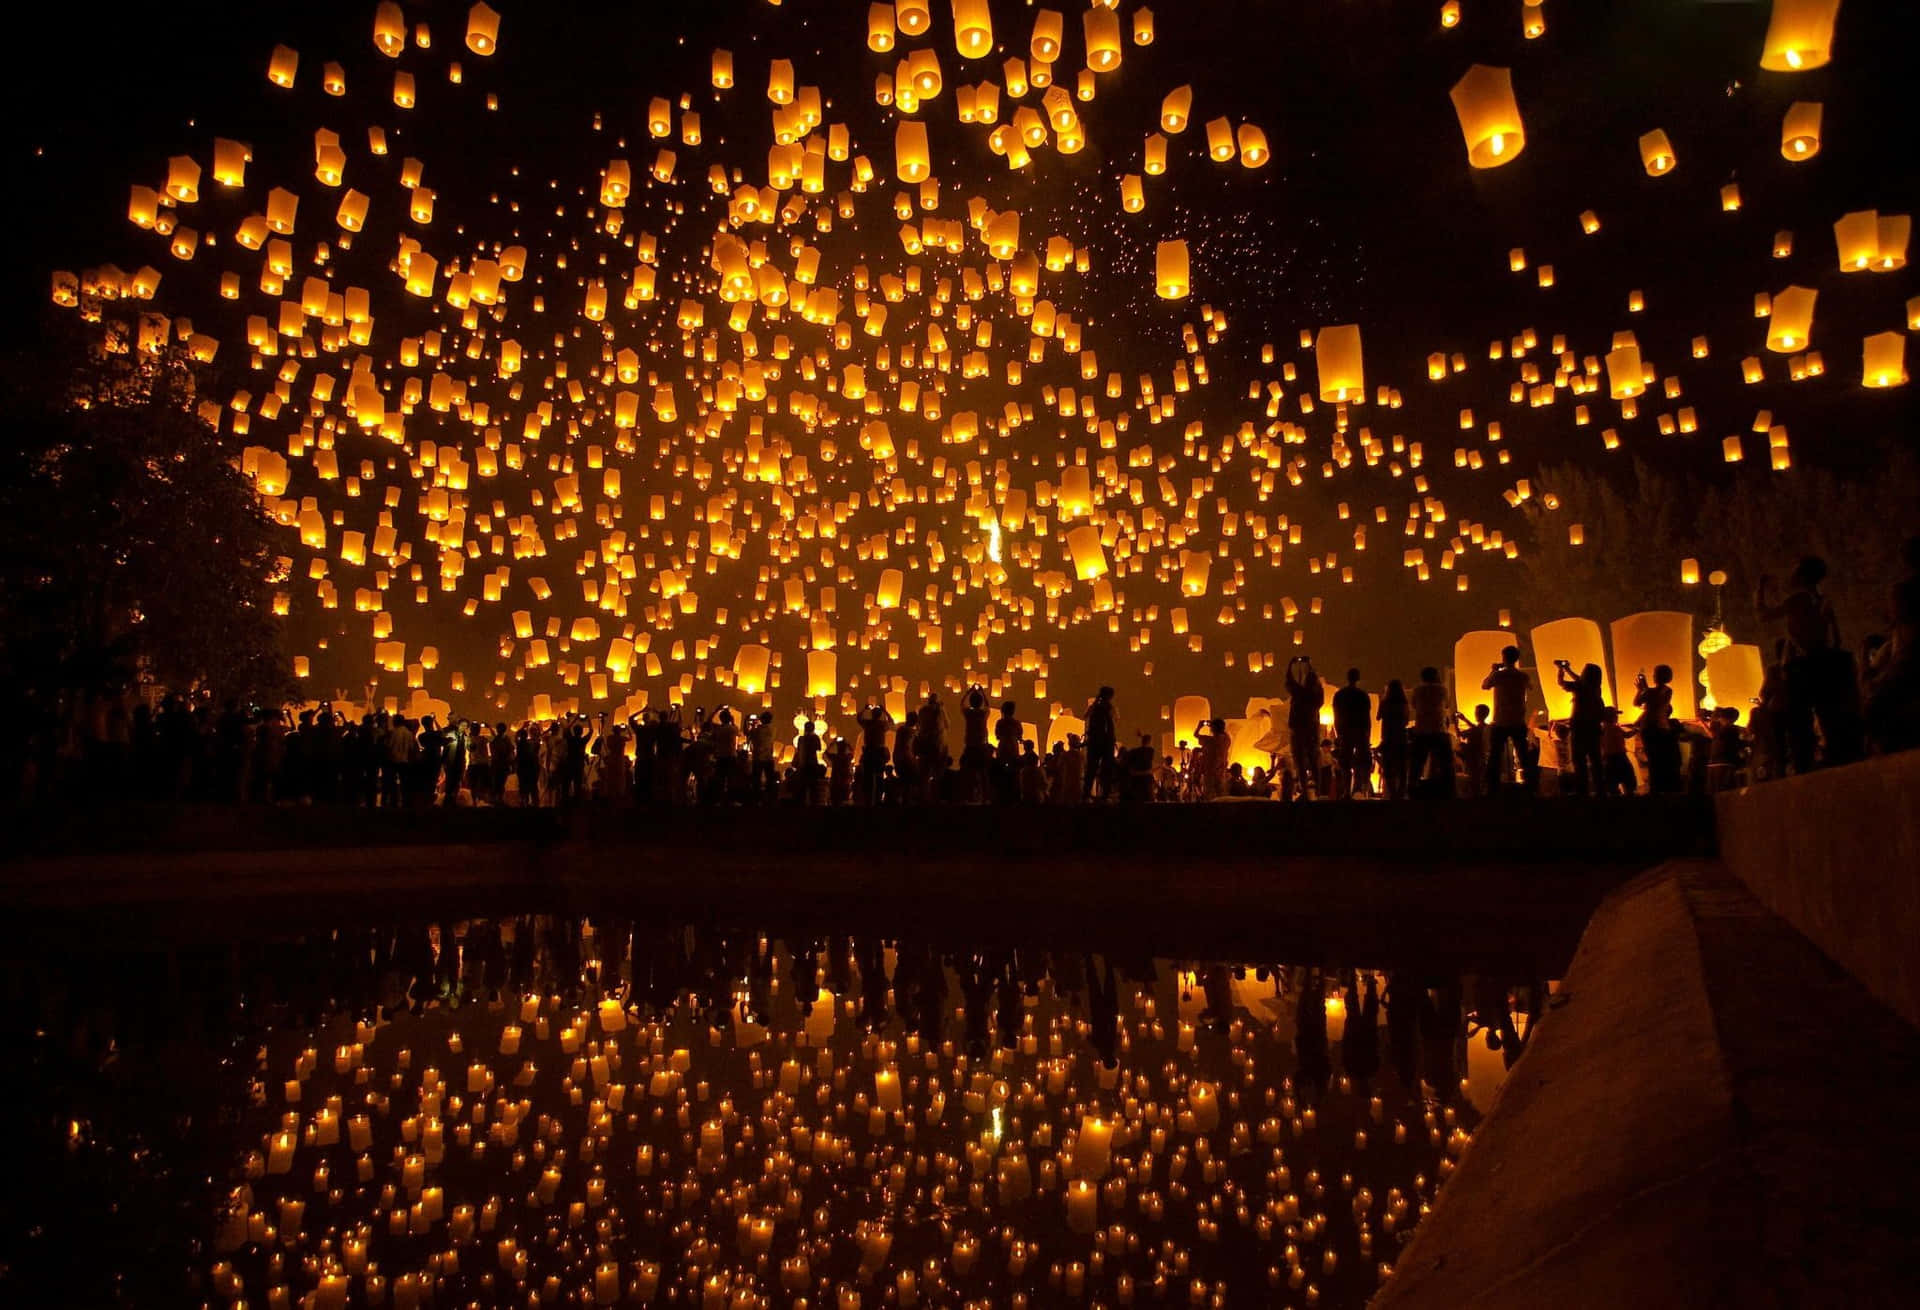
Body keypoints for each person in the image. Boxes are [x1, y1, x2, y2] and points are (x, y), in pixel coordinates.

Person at [1756, 556, 1863, 772]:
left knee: (1799, 719)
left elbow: (1764, 615)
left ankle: (1803, 764)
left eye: (1795, 571)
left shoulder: (1798, 599)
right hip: (1823, 659)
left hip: (1802, 664)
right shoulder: (1822, 599)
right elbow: (1835, 633)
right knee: (1826, 712)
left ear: (1802, 576)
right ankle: (1836, 756)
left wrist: (1759, 591)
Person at [1480, 646, 1531, 795]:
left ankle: (1492, 787)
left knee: (1495, 755)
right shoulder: (1522, 676)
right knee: (1523, 754)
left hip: (1501, 720)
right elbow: (1530, 686)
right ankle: (1530, 785)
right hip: (1518, 720)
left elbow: (1485, 685)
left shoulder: (1498, 676)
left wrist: (1494, 670)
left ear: (1504, 658)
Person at [1556, 661, 1606, 796]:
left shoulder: (1579, 687)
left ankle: (1582, 791)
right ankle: (1600, 790)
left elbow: (1561, 682)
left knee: (1579, 761)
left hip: (1579, 728)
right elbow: (1580, 680)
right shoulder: (1596, 688)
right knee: (1596, 761)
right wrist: (1568, 669)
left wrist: (1561, 670)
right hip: (1594, 728)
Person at [1633, 665, 1682, 794]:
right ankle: (1656, 786)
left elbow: (1652, 699)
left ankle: (1659, 787)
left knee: (1658, 759)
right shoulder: (1653, 691)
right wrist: (1641, 690)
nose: (1654, 676)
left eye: (1656, 673)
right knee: (1653, 758)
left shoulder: (1666, 690)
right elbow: (1637, 702)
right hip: (1650, 728)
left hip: (1656, 727)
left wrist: (1643, 688)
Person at [1408, 667, 1452, 798]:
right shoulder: (1442, 689)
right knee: (1445, 763)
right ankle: (1449, 791)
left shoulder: (1417, 690)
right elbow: (1447, 704)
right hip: (1439, 728)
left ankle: (1412, 789)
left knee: (1417, 763)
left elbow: (1414, 705)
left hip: (1422, 729)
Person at [1284, 657, 1324, 800]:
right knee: (1313, 760)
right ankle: (1319, 790)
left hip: (1298, 730)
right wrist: (1310, 666)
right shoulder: (1317, 696)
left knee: (1299, 760)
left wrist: (1291, 665)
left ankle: (1305, 790)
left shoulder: (1300, 693)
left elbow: (1289, 681)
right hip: (1312, 730)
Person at [1331, 668, 1371, 800]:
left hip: (1345, 731)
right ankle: (1358, 789)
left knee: (1345, 763)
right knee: (1360, 762)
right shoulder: (1363, 695)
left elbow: (1336, 715)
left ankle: (1347, 791)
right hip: (1360, 731)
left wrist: (1338, 733)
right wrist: (1367, 733)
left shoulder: (1340, 695)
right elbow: (1367, 716)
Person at [1082, 686, 1118, 801]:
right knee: (1106, 768)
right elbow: (1115, 720)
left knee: (1091, 768)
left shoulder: (1095, 707)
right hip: (1106, 742)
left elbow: (1085, 716)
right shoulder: (1109, 708)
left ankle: (1086, 793)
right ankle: (1104, 794)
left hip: (1095, 741)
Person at [1377, 679, 1410, 800]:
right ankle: (1401, 793)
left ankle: (1392, 793)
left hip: (1388, 737)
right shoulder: (1404, 704)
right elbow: (1406, 721)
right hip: (1401, 737)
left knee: (1388, 767)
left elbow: (1378, 717)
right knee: (1402, 768)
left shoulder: (1385, 703)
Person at [959, 686, 993, 803]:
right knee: (983, 773)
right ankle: (985, 797)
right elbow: (988, 706)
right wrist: (983, 693)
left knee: (969, 772)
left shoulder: (968, 713)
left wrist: (968, 692)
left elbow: (962, 705)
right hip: (981, 746)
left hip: (970, 746)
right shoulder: (983, 714)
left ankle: (968, 796)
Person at [992, 701, 1024, 804]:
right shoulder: (1017, 723)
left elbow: (997, 735)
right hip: (1013, 748)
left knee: (1001, 772)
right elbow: (1020, 737)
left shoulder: (1000, 722)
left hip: (1003, 748)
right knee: (1014, 772)